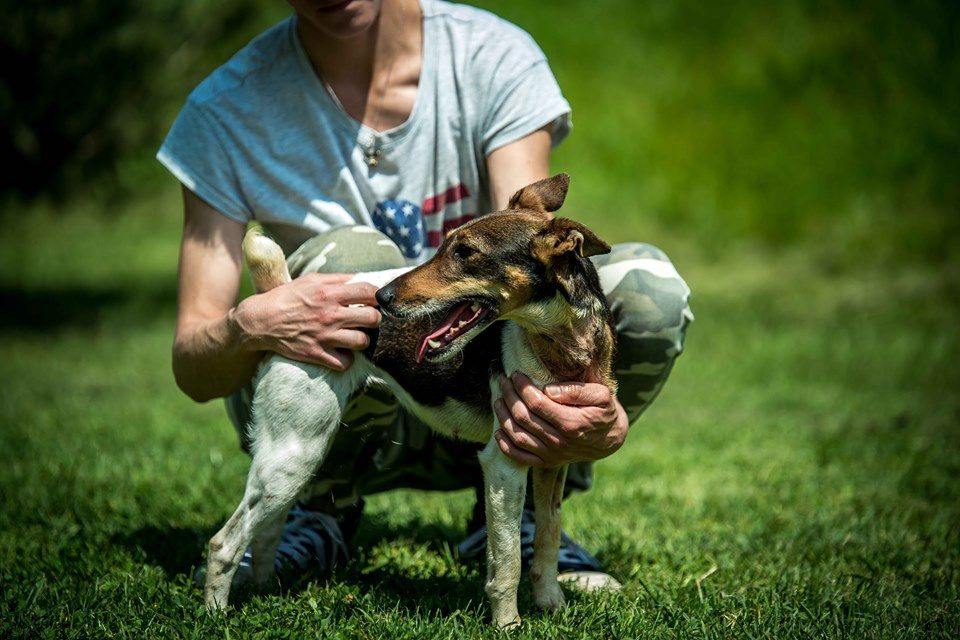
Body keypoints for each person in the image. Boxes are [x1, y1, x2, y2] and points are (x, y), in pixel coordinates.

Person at [158, 0, 692, 592]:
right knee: (356, 257)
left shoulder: (492, 57)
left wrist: (604, 415)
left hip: (483, 394)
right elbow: (193, 368)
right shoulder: (224, 110)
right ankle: (317, 508)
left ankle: (515, 515)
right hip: (323, 395)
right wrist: (249, 325)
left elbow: (528, 248)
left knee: (645, 284)